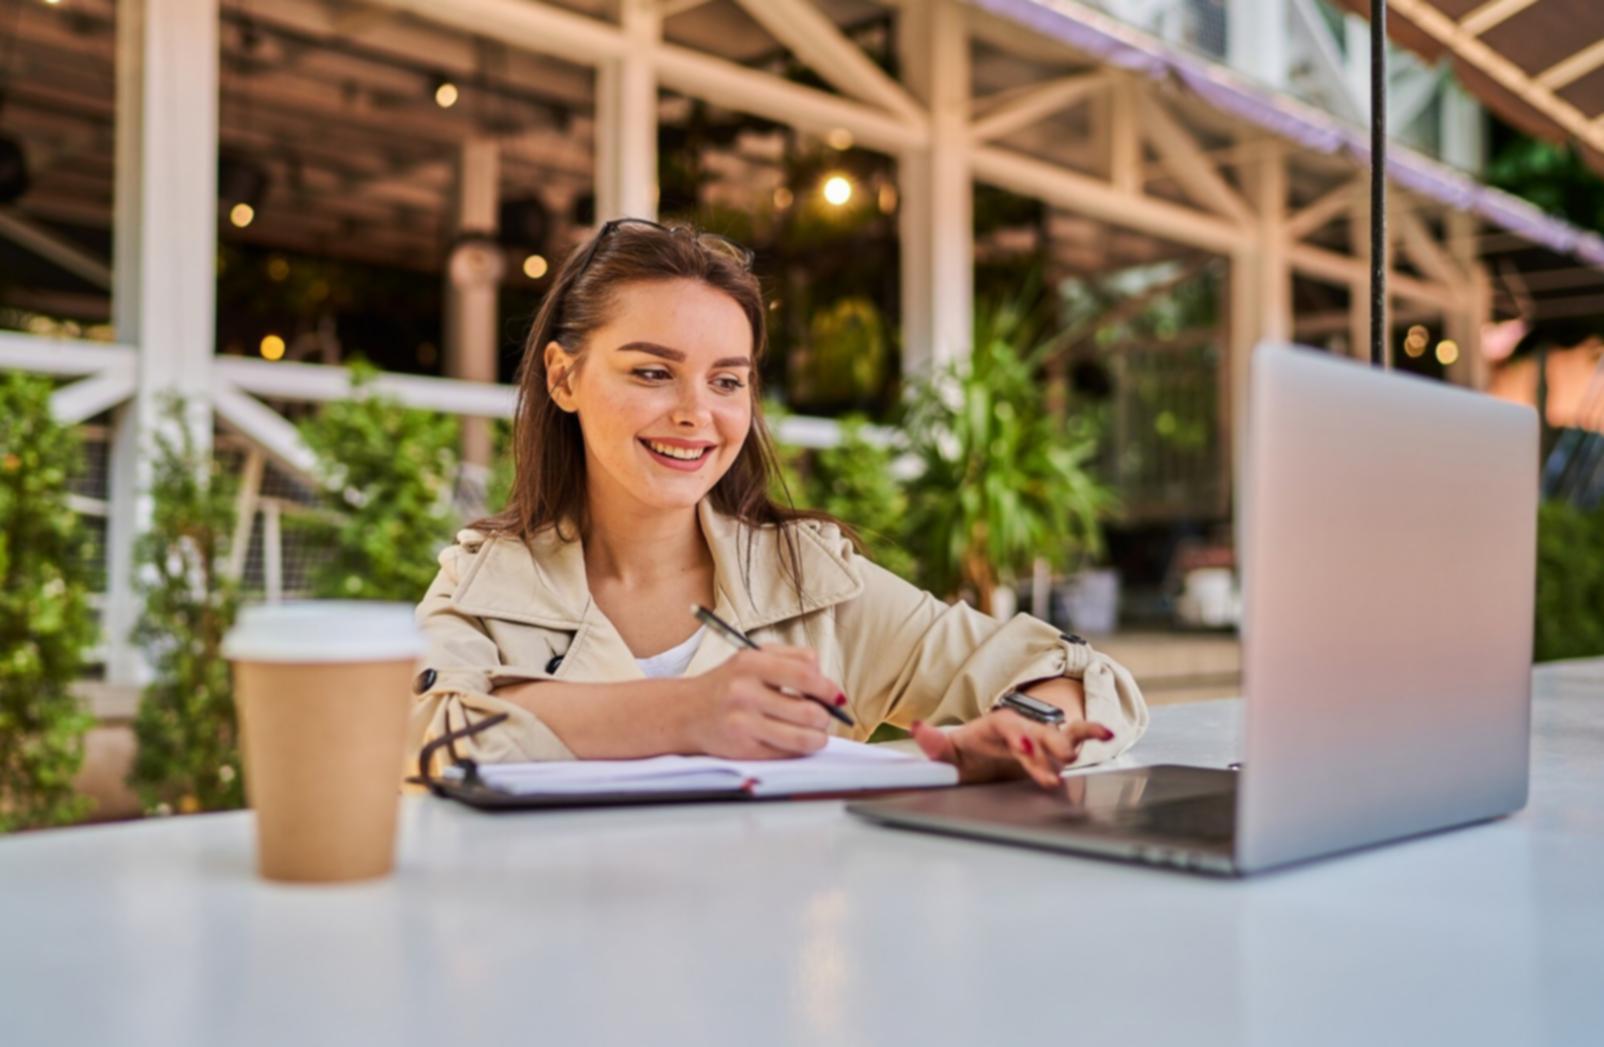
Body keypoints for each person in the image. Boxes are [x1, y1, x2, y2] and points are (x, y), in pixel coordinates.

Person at [412, 219, 1148, 789]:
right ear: (563, 377)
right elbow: (425, 736)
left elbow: (1074, 670)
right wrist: (689, 712)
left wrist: (1021, 729)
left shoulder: (808, 580)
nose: (696, 412)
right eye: (652, 371)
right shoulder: (486, 581)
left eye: (727, 381)